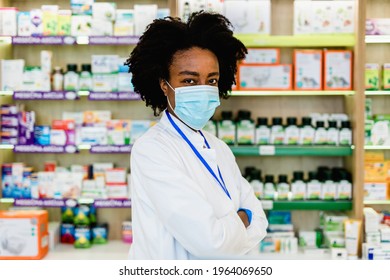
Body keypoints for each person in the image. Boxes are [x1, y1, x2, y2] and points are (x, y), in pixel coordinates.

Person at [125, 11, 268, 260]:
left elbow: (260, 219)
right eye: (190, 81)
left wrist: (236, 224)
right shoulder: (152, 150)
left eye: (211, 80)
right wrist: (241, 218)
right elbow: (211, 243)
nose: (203, 89)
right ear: (163, 84)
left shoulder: (219, 148)